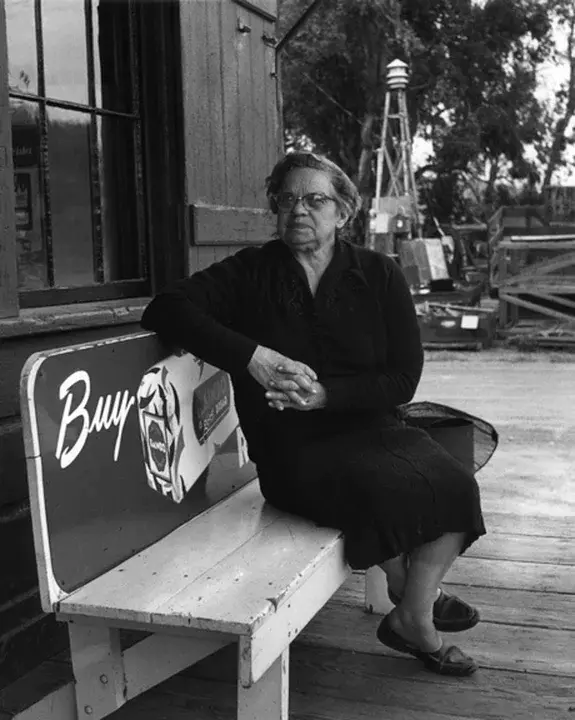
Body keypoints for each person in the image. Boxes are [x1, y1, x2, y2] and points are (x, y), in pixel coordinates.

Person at [141, 152, 486, 677]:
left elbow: (402, 379)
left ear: (343, 211)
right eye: (287, 200)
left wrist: (327, 396)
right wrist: (252, 358)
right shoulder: (250, 272)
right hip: (290, 447)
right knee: (380, 488)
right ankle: (417, 610)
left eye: (315, 199)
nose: (298, 210)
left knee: (457, 484)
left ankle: (410, 608)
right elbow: (165, 308)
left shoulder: (379, 273)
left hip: (373, 427)